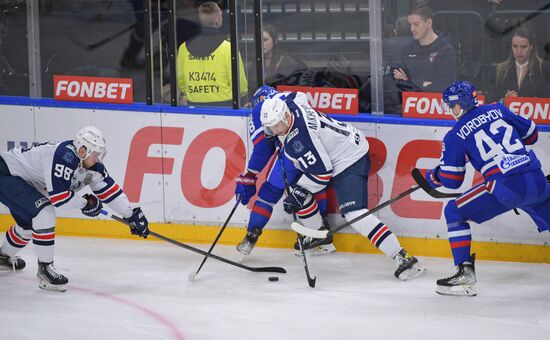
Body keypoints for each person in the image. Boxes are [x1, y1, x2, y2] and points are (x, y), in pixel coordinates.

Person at [259, 96, 426, 281]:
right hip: (338, 147)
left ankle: (403, 257)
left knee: (354, 213)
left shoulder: (300, 139)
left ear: (285, 118)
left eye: (274, 126)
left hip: (350, 158)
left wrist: (300, 191)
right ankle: (319, 237)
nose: (272, 131)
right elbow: (300, 95)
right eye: (269, 127)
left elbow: (323, 173)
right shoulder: (290, 104)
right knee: (296, 194)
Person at [424, 80, 550, 296]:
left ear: (457, 106)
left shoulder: (455, 135)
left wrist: (435, 176)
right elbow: (532, 135)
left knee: (454, 211)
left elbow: (453, 180)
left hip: (506, 188)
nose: (449, 110)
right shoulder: (498, 109)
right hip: (536, 178)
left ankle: (464, 275)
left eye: (450, 106)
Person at [0, 126, 149, 292]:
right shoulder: (64, 156)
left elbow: (108, 190)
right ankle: (45, 270)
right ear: (82, 150)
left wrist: (131, 214)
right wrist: (86, 204)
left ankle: (3, 256)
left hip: (23, 181)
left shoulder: (92, 166)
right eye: (94, 154)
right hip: (6, 174)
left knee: (29, 226)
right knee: (45, 213)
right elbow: (60, 198)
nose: (97, 158)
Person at [235, 86, 335, 258]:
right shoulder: (291, 98)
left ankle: (250, 237)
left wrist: (250, 176)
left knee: (270, 191)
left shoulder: (261, 110)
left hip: (293, 152)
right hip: (317, 146)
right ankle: (321, 232)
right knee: (309, 184)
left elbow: (263, 148)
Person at [176, 0, 248, 106]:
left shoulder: (183, 47)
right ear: (218, 19)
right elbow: (240, 85)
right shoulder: (228, 47)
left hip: (195, 103)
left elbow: (181, 80)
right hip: (226, 106)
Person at [392, 6, 457, 93]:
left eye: (416, 24)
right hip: (408, 104)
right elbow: (397, 82)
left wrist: (409, 82)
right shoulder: (407, 49)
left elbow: (442, 86)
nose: (412, 29)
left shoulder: (445, 50)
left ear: (429, 23)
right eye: (410, 24)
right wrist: (424, 84)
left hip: (435, 105)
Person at [493, 27, 550, 102]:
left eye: (523, 47)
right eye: (515, 46)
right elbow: (491, 99)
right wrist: (503, 100)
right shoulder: (500, 70)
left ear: (531, 46)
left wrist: (539, 102)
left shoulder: (544, 68)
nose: (519, 51)